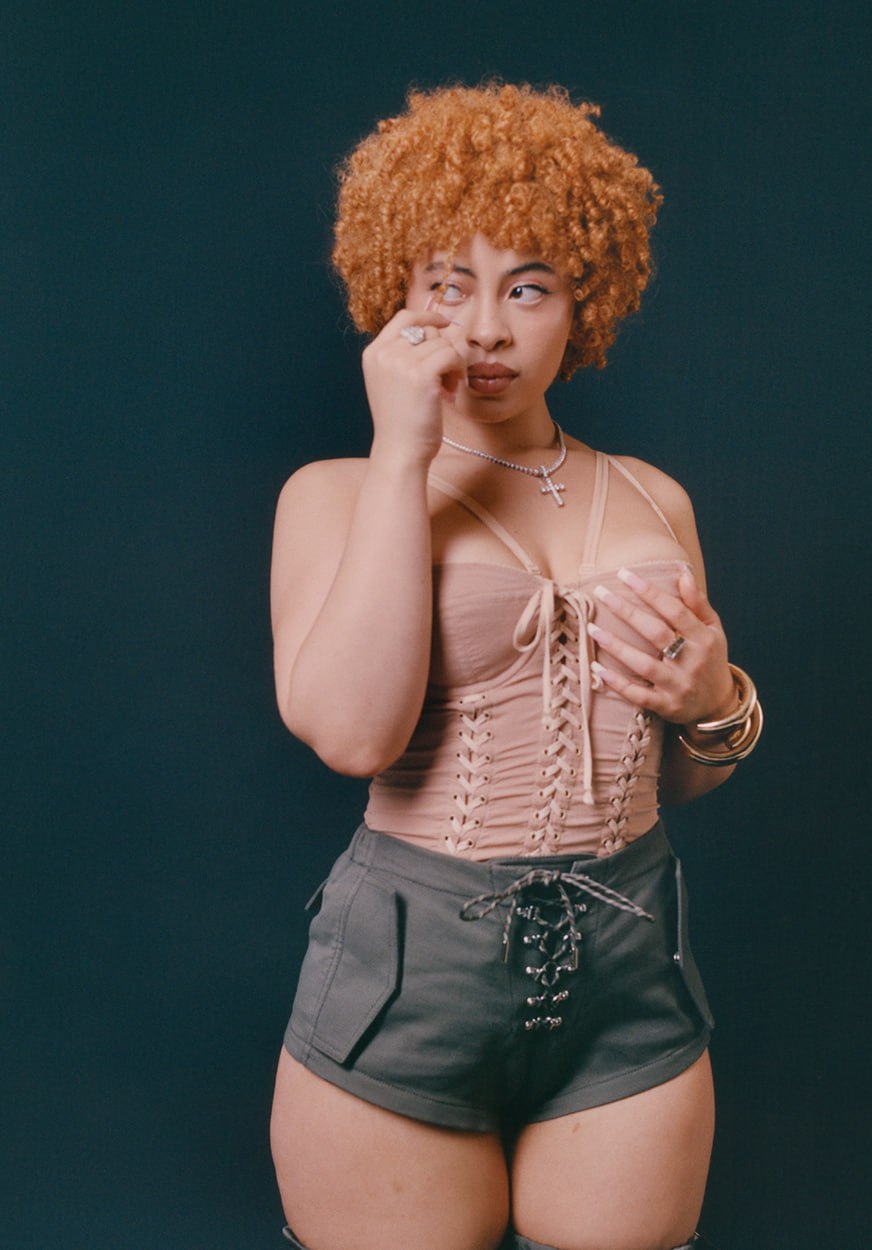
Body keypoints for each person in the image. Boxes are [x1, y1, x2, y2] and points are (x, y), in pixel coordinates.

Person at [269, 81, 762, 1250]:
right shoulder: (336, 493)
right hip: (410, 970)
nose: (486, 329)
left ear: (583, 302)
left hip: (630, 959)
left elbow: (681, 769)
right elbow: (352, 735)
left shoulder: (654, 497)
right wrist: (404, 453)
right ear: (396, 292)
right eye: (448, 284)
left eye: (527, 287)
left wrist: (717, 704)